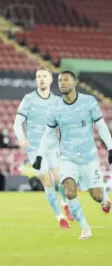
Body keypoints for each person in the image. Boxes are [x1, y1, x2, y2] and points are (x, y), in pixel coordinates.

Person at [33, 71, 112, 240]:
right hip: (68, 158)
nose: (62, 83)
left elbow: (102, 126)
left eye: (66, 80)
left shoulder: (89, 102)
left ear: (74, 83)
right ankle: (85, 228)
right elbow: (48, 134)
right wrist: (40, 155)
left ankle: (105, 196)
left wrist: (111, 148)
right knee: (69, 191)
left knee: (97, 196)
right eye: (60, 80)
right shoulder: (54, 108)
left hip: (89, 158)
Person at [13, 66, 73, 228]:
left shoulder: (56, 101)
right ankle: (60, 217)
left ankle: (65, 204)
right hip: (34, 148)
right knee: (47, 181)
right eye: (38, 76)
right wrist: (22, 138)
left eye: (44, 76)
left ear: (50, 79)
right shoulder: (29, 99)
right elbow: (17, 123)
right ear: (36, 79)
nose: (41, 79)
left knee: (60, 178)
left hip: (53, 146)